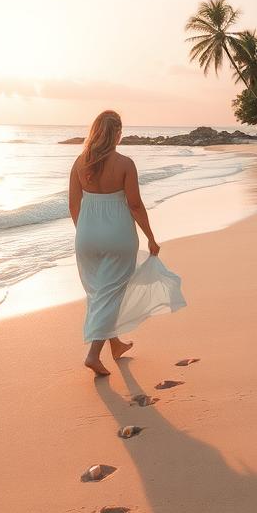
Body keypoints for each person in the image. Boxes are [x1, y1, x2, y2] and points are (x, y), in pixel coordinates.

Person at [69, 109, 161, 377]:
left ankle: (116, 344)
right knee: (111, 292)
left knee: (100, 291)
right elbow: (134, 204)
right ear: (117, 133)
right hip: (118, 236)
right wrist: (151, 237)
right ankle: (93, 354)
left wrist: (86, 232)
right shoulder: (125, 164)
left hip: (86, 236)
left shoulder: (79, 163)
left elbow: (74, 205)